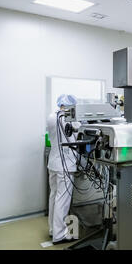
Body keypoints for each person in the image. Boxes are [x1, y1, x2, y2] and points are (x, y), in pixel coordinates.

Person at [47, 94, 80, 244]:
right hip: (64, 165)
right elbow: (76, 133)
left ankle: (53, 229)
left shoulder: (51, 116)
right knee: (63, 199)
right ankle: (60, 235)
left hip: (53, 164)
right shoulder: (67, 119)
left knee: (54, 196)